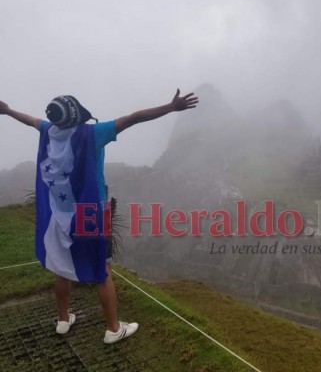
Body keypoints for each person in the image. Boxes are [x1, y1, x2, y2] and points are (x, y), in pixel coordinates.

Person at [0, 89, 199, 343]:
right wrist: (171, 108)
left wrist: (7, 111)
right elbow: (133, 118)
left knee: (61, 268)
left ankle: (63, 320)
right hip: (90, 212)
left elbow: (30, 120)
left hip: (58, 214)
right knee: (102, 270)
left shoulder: (48, 131)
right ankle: (113, 328)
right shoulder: (92, 134)